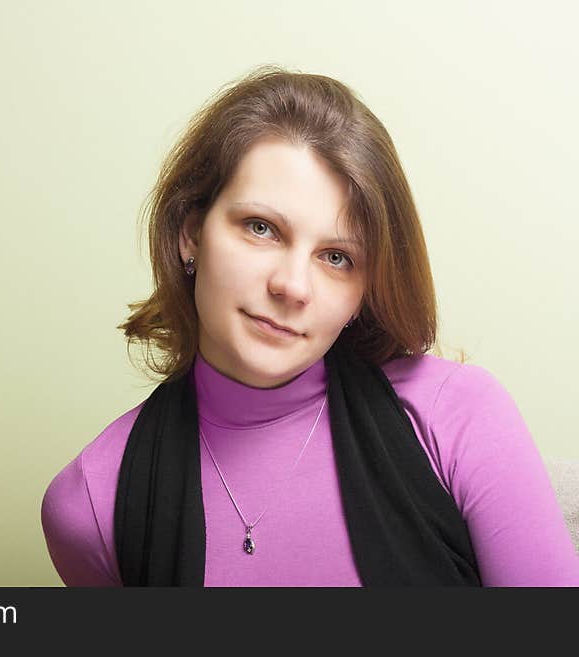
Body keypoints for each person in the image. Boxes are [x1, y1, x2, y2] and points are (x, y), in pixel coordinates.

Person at [40, 65, 579, 586]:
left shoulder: (456, 416)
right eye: (261, 228)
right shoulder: (90, 504)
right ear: (190, 235)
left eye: (337, 257)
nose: (293, 285)